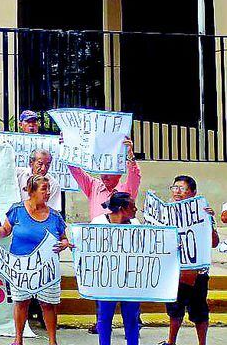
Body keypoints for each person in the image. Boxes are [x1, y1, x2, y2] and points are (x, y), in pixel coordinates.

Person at [0, 174, 72, 345]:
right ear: (31, 191)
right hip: (20, 268)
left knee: (48, 305)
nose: (48, 192)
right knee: (21, 302)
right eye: (44, 189)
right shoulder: (17, 210)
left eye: (49, 189)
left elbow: (64, 238)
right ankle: (18, 339)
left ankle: (52, 341)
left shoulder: (55, 216)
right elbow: (4, 231)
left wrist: (65, 244)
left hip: (46, 269)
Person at [162, 175, 220, 345]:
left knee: (199, 311)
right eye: (175, 188)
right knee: (174, 310)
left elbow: (214, 243)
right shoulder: (165, 213)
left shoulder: (203, 213)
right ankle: (171, 342)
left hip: (197, 272)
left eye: (182, 188)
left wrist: (209, 223)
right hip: (174, 271)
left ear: (193, 193)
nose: (177, 192)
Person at [91, 192, 141, 345]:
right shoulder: (98, 222)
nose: (136, 209)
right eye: (132, 206)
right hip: (106, 279)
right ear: (121, 208)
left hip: (130, 279)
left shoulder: (136, 224)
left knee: (132, 318)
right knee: (104, 318)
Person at [69, 138, 139, 220]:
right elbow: (76, 171)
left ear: (119, 174)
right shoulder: (93, 186)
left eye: (109, 172)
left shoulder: (126, 191)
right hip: (96, 228)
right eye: (102, 171)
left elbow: (135, 176)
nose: (105, 176)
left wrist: (130, 155)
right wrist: (68, 148)